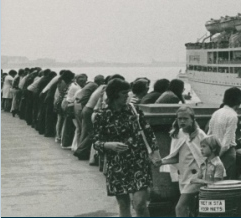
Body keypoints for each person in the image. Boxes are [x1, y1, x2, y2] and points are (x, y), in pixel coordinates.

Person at [92, 78, 161, 217]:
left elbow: (148, 131)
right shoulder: (102, 115)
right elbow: (95, 142)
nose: (127, 96)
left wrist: (156, 152)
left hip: (138, 161)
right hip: (117, 164)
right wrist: (108, 145)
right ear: (114, 94)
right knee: (123, 204)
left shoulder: (133, 110)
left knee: (140, 203)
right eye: (124, 93)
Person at [161, 106, 208, 217]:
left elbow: (209, 154)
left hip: (197, 176)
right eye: (179, 118)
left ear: (192, 119)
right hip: (184, 175)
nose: (182, 121)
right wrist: (161, 162)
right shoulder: (177, 134)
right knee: (190, 209)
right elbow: (175, 157)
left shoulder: (200, 134)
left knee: (180, 207)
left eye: (185, 118)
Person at [207, 87, 241, 180]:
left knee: (213, 181)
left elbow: (209, 135)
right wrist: (218, 156)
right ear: (239, 102)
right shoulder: (233, 116)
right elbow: (226, 143)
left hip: (213, 151)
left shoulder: (216, 113)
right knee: (227, 183)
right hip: (227, 154)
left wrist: (211, 155)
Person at [73, 75, 104, 160]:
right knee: (92, 133)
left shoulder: (95, 86)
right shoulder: (100, 87)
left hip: (83, 108)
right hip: (88, 110)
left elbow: (80, 97)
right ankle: (80, 151)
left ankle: (80, 149)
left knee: (84, 130)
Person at [64, 74, 87, 151]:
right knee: (78, 128)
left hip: (69, 106)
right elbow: (76, 100)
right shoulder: (78, 89)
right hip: (72, 108)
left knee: (76, 128)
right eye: (83, 81)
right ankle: (76, 146)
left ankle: (73, 145)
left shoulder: (74, 86)